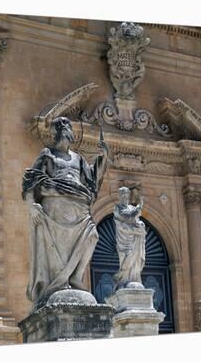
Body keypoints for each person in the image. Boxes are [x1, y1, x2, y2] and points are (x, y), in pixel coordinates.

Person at [21, 116, 108, 308]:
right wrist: (30, 204)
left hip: (79, 207)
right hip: (55, 207)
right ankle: (58, 284)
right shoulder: (48, 154)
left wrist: (102, 158)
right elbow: (30, 178)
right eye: (60, 128)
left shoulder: (78, 158)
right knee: (58, 249)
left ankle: (76, 277)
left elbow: (91, 179)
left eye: (66, 127)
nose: (64, 131)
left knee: (92, 236)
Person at [113, 187, 146, 290]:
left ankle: (134, 278)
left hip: (135, 239)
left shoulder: (132, 208)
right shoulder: (117, 208)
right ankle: (123, 279)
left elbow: (138, 213)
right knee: (127, 256)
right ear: (119, 196)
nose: (124, 197)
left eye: (126, 195)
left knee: (136, 258)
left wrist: (140, 202)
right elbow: (124, 218)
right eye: (122, 195)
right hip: (124, 240)